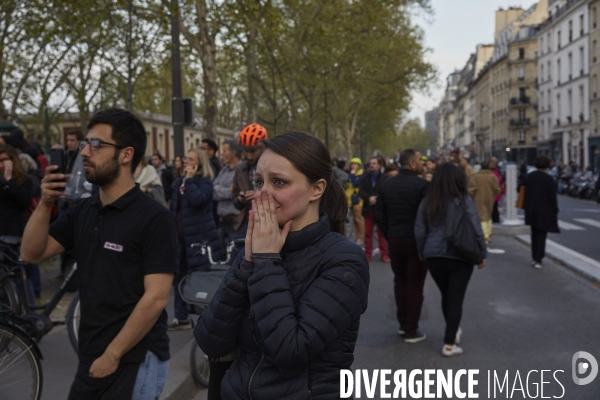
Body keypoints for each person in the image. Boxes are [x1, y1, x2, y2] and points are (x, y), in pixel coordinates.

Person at [195, 130, 369, 400]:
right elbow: (211, 341)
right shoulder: (258, 247)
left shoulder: (344, 260)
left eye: (279, 182)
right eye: (259, 181)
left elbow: (290, 350)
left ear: (316, 189)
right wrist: (247, 266)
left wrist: (266, 262)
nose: (262, 194)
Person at [20, 108, 178, 400]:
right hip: (92, 355)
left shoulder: (154, 218)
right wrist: (45, 202)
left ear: (126, 154)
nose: (84, 153)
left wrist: (113, 355)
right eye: (84, 144)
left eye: (96, 145)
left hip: (135, 359)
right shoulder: (83, 211)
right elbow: (31, 253)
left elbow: (156, 298)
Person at [414, 162, 487, 357]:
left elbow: (420, 230)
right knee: (455, 299)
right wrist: (482, 253)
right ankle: (449, 344)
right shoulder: (464, 200)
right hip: (460, 255)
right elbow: (476, 228)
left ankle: (453, 333)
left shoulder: (428, 201)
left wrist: (422, 250)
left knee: (447, 296)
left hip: (434, 256)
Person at [374, 149, 429, 343]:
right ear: (412, 164)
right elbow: (428, 215)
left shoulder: (387, 185)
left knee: (400, 280)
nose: (424, 163)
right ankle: (411, 329)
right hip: (417, 240)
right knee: (415, 284)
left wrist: (389, 234)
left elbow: (379, 214)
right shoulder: (423, 185)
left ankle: (402, 323)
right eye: (420, 160)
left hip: (395, 238)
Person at [168, 147, 221, 330]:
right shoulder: (178, 183)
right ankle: (180, 318)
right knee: (179, 277)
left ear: (199, 163)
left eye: (190, 159)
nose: (186, 162)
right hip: (181, 239)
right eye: (185, 158)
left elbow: (199, 200)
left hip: (200, 239)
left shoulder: (204, 182)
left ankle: (207, 320)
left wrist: (190, 181)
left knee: (201, 279)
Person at [522, 155, 560, 269]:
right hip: (544, 209)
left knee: (533, 233)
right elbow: (552, 196)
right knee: (542, 234)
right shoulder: (549, 179)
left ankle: (534, 257)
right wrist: (555, 209)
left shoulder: (529, 176)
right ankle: (539, 258)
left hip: (531, 208)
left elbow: (519, 188)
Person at [232, 123, 268, 234]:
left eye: (252, 151)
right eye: (246, 151)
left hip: (268, 219)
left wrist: (258, 194)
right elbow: (234, 199)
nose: (249, 156)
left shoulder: (273, 166)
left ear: (262, 148)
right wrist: (240, 199)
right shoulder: (240, 169)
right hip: (246, 219)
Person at [213, 140, 245, 261]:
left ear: (233, 153)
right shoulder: (223, 170)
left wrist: (221, 190)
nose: (221, 154)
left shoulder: (242, 170)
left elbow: (237, 193)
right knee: (221, 260)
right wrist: (229, 191)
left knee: (235, 260)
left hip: (235, 223)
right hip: (221, 222)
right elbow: (213, 191)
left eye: (225, 151)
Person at [359, 156, 389, 262]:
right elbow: (361, 192)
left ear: (379, 165)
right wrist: (369, 198)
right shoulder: (364, 178)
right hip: (368, 209)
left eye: (374, 163)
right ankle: (368, 254)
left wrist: (378, 199)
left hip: (381, 209)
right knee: (368, 233)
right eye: (371, 163)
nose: (372, 165)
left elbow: (387, 191)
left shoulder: (385, 178)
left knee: (382, 233)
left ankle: (384, 254)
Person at [0, 144, 34, 237]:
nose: (1, 165)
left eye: (4, 160)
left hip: (16, 228)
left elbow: (25, 199)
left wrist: (9, 180)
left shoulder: (24, 178)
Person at [468, 160, 500, 245]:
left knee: (481, 216)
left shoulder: (476, 177)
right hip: (490, 198)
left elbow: (471, 190)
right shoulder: (493, 176)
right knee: (488, 215)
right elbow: (497, 189)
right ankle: (488, 233)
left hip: (478, 198)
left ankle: (485, 236)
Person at [346, 157, 365, 246]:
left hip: (358, 199)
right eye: (352, 164)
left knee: (359, 219)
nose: (353, 165)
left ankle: (361, 237)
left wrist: (352, 175)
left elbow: (355, 184)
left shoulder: (361, 174)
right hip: (350, 199)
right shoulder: (351, 174)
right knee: (354, 219)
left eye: (355, 164)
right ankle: (357, 237)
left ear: (359, 165)